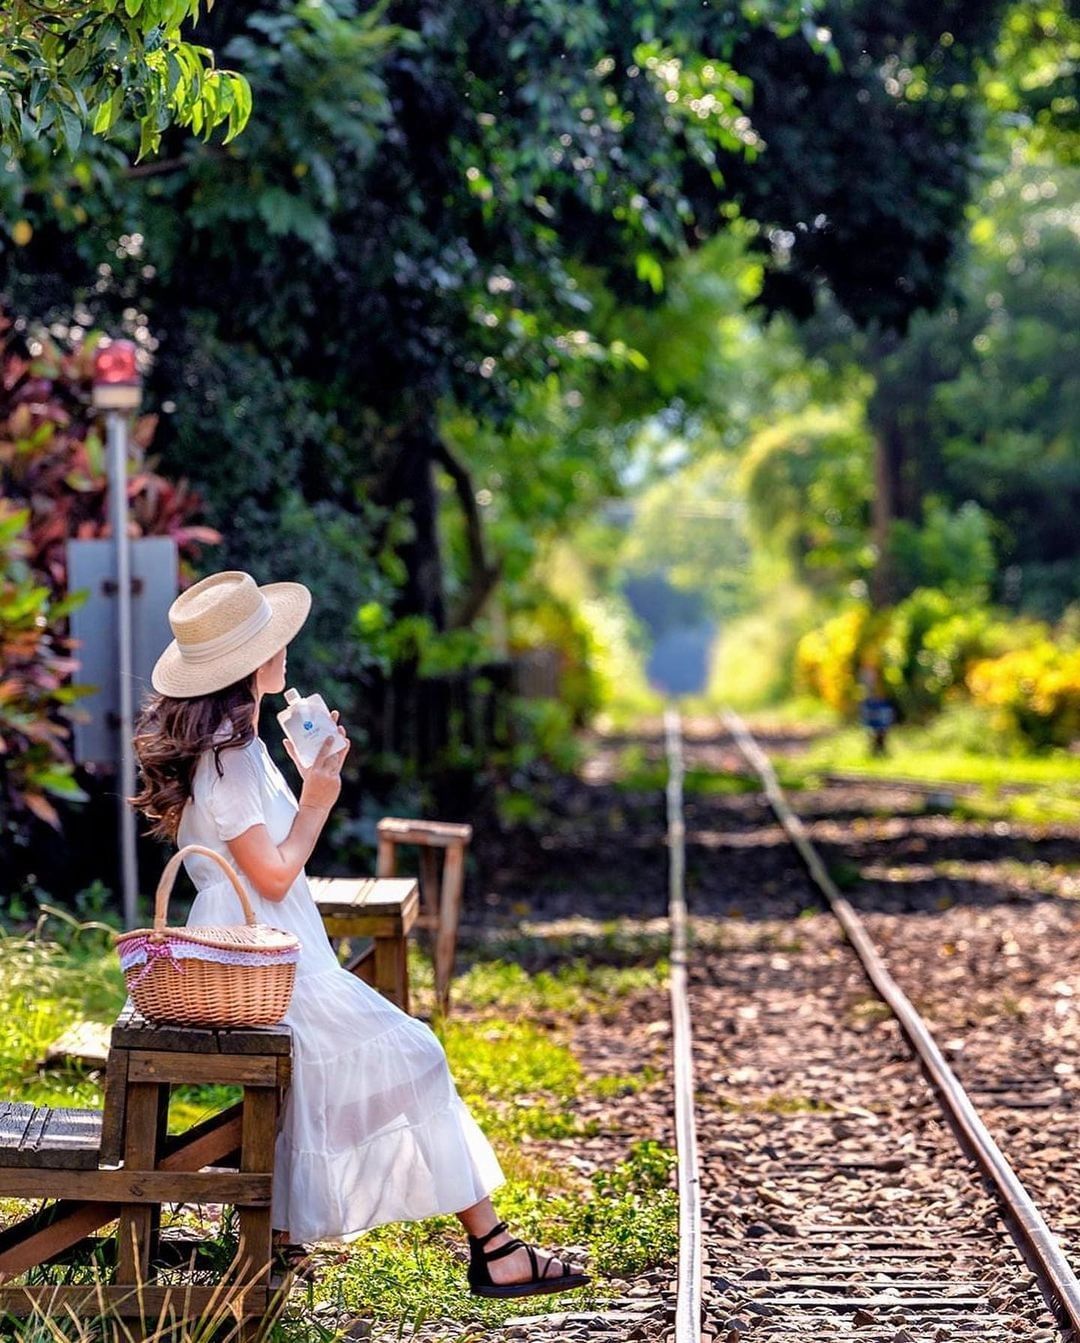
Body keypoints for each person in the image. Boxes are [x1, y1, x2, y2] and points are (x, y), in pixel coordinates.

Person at [131, 570, 588, 1299]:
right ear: (252, 661)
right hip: (259, 952)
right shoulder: (233, 758)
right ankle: (491, 1247)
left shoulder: (237, 748)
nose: (286, 650)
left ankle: (287, 1233)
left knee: (364, 1067)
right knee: (415, 1054)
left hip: (266, 945)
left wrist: (308, 778)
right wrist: (317, 798)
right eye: (273, 641)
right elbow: (272, 876)